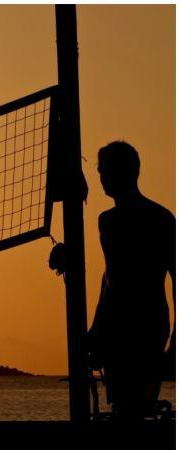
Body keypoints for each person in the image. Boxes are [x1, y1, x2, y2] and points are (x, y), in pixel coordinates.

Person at [88, 140, 175, 421]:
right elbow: (110, 277)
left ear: (128, 172)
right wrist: (96, 329)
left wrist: (175, 339)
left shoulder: (160, 219)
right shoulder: (107, 221)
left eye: (106, 170)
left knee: (135, 409)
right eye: (101, 170)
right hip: (115, 326)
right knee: (122, 408)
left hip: (147, 325)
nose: (102, 177)